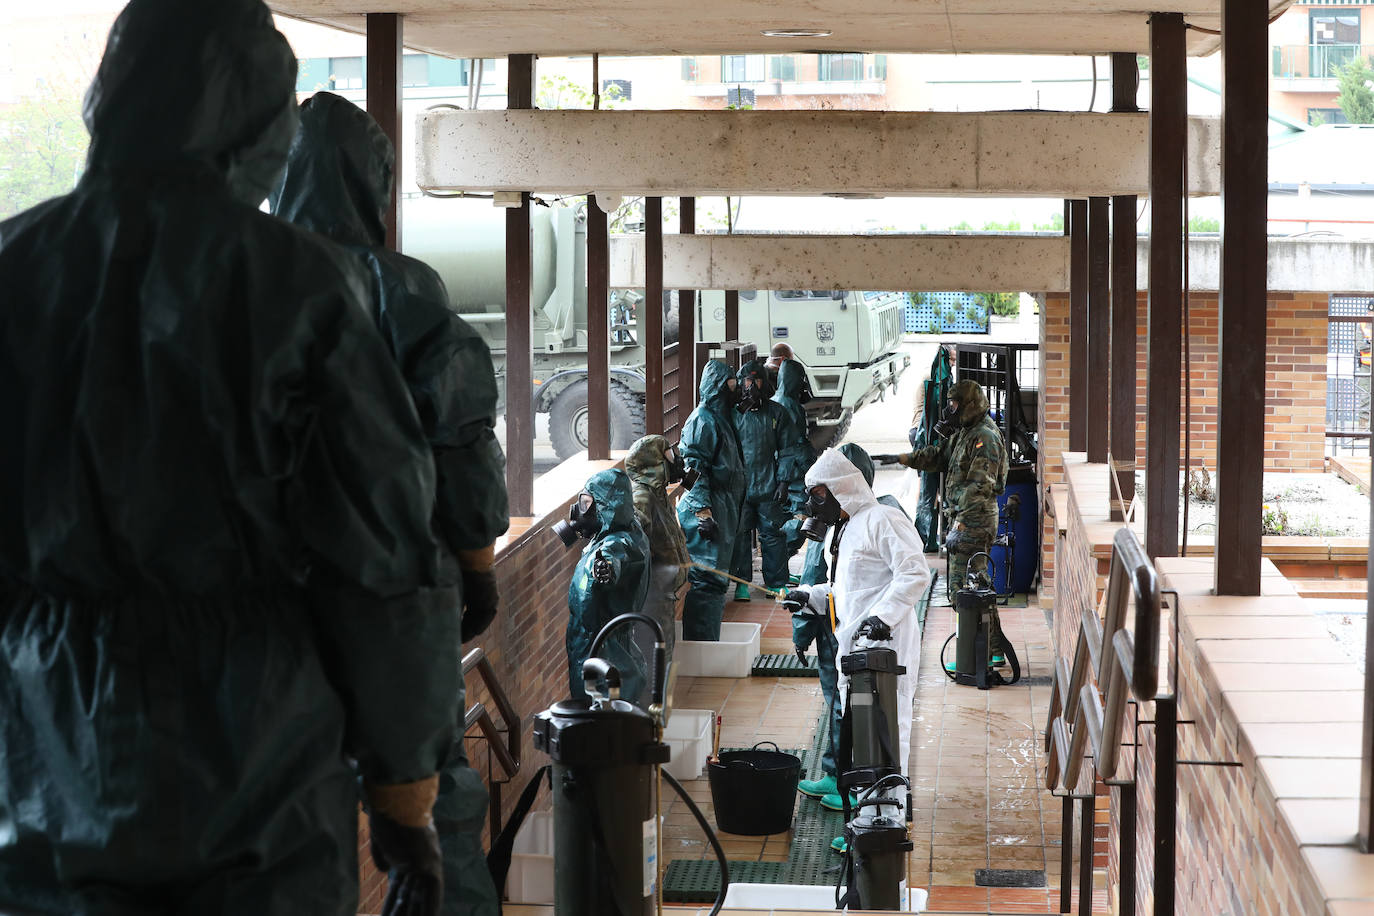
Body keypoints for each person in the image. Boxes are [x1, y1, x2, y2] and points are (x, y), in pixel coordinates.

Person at [0, 2, 455, 914]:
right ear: (254, 119)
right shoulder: (299, 283)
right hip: (259, 756)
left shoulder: (17, 265)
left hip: (45, 754)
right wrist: (404, 798)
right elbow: (378, 557)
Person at [271, 91, 508, 916]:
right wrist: (477, 563)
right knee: (436, 802)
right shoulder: (400, 287)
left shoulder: (234, 281)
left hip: (264, 609)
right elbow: (462, 436)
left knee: (280, 821)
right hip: (397, 594)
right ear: (373, 184)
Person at [787, 449, 930, 852]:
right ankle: (868, 821)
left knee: (886, 736)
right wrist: (811, 596)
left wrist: (883, 617)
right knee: (863, 739)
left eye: (819, 495)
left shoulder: (883, 519)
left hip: (886, 652)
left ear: (841, 490)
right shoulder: (847, 529)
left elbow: (914, 571)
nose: (815, 504)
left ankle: (886, 826)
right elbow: (849, 592)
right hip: (857, 652)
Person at [878, 379, 1009, 659]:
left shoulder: (984, 437)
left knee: (967, 589)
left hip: (974, 521)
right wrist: (902, 458)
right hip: (965, 519)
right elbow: (938, 456)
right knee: (974, 586)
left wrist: (960, 522)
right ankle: (991, 649)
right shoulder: (967, 432)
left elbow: (980, 487)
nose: (951, 409)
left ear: (969, 404)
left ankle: (978, 655)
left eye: (955, 404)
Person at [562, 469, 651, 705]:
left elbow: (614, 556)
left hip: (601, 650)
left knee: (600, 715)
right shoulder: (627, 530)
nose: (580, 510)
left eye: (587, 503)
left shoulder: (615, 543)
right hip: (607, 645)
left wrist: (605, 568)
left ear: (606, 506)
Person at [677, 360, 747, 640]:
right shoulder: (702, 420)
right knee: (708, 580)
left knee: (717, 580)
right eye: (730, 385)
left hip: (723, 508)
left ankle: (708, 642)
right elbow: (693, 470)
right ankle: (701, 646)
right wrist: (703, 512)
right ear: (718, 388)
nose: (736, 390)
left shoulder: (722, 418)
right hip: (709, 511)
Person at [624, 434, 692, 693]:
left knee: (664, 652)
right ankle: (652, 707)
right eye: (668, 457)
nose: (675, 461)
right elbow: (635, 544)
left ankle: (660, 705)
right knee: (655, 656)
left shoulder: (657, 493)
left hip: (663, 592)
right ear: (653, 463)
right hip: (651, 595)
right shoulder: (641, 498)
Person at [729, 359, 790, 600]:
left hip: (769, 483)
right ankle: (742, 583)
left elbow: (788, 449)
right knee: (741, 535)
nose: (752, 386)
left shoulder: (776, 412)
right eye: (748, 381)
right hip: (740, 486)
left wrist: (784, 481)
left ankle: (776, 583)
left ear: (765, 382)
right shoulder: (733, 414)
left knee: (772, 535)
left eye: (757, 380)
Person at [773, 357, 817, 554]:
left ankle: (781, 559)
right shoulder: (788, 405)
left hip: (787, 470)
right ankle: (781, 555)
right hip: (793, 472)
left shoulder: (779, 401)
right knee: (800, 516)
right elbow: (792, 446)